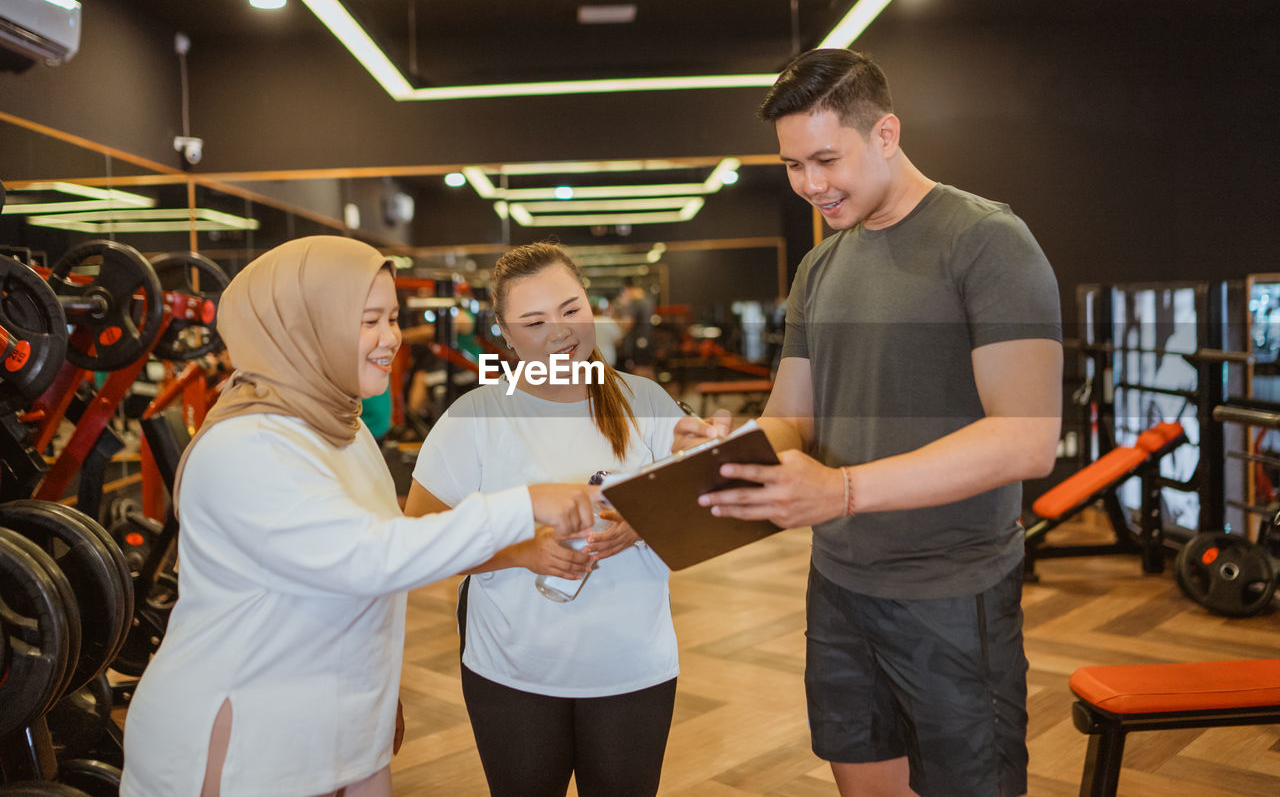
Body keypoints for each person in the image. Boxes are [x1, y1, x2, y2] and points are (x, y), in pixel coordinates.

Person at [679, 49, 1063, 797]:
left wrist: (844, 490)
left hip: (955, 592)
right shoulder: (820, 269)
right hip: (840, 585)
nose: (811, 185)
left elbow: (1027, 436)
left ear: (885, 133)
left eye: (826, 158)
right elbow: (789, 418)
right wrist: (734, 451)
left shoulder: (986, 240)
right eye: (793, 165)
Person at [120, 236, 594, 797]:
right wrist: (525, 503)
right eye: (370, 320)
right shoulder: (245, 445)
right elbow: (370, 557)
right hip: (246, 738)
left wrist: (375, 695)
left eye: (393, 318)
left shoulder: (344, 427)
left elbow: (383, 555)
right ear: (305, 326)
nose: (391, 338)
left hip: (334, 730)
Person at [405, 241, 685, 797]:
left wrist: (642, 521)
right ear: (505, 336)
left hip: (633, 665)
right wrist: (519, 551)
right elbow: (417, 536)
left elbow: (701, 505)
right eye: (534, 321)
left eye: (571, 309)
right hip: (513, 671)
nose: (561, 330)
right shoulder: (476, 416)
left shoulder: (646, 400)